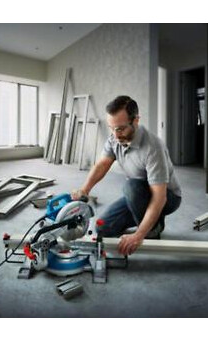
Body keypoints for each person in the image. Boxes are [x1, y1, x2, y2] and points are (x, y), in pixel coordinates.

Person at [71, 95, 182, 256]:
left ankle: (153, 228)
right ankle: (148, 220)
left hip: (168, 197)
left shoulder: (153, 147)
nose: (116, 135)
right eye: (112, 128)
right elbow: (102, 164)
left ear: (135, 121)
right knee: (103, 227)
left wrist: (139, 235)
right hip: (138, 195)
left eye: (120, 129)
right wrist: (85, 190)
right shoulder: (114, 139)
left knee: (131, 187)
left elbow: (160, 197)